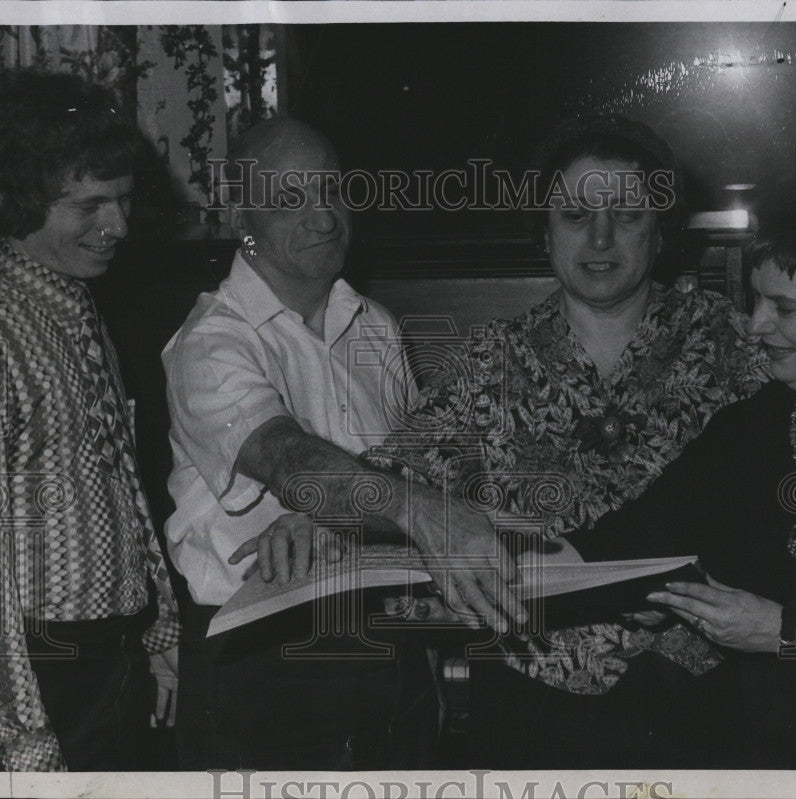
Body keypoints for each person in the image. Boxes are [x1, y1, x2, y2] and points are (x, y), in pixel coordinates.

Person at [252, 113, 769, 767]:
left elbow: (787, 489)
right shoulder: (492, 359)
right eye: (575, 215)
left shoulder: (729, 342)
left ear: (661, 230)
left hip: (697, 692)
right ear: (544, 235)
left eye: (627, 214)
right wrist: (311, 520)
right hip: (530, 696)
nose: (600, 236)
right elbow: (394, 479)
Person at [562, 195, 796, 769]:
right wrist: (487, 562)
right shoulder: (750, 425)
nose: (755, 325)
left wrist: (782, 631)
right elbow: (624, 539)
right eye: (756, 300)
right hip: (754, 747)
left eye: (786, 308)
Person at [163, 118, 451, 769]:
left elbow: (417, 470)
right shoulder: (213, 340)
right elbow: (292, 462)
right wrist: (435, 517)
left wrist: (422, 669)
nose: (323, 218)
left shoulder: (376, 326)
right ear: (243, 216)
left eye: (331, 191)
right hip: (262, 662)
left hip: (386, 642)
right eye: (290, 200)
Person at [0, 69, 180, 772]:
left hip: (110, 661)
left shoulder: (74, 302)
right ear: (10, 197)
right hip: (39, 675)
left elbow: (123, 478)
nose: (116, 225)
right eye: (89, 205)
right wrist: (20, 736)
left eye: (123, 200)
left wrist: (160, 628)